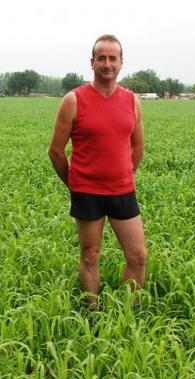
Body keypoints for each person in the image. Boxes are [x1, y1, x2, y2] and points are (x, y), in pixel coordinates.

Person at [48, 34, 147, 309]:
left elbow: (138, 146)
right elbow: (56, 151)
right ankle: (92, 312)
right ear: (92, 62)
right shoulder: (73, 100)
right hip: (87, 193)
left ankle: (132, 311)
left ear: (121, 63)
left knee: (137, 256)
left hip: (122, 191)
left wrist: (125, 174)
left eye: (112, 58)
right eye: (101, 58)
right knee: (90, 256)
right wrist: (75, 185)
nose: (107, 64)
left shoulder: (131, 101)